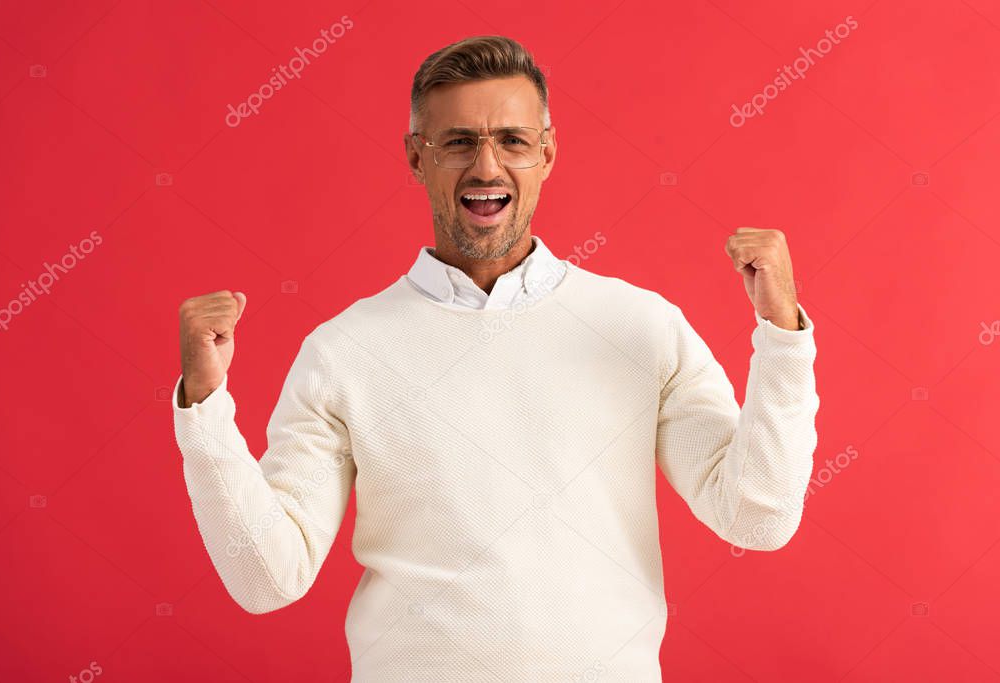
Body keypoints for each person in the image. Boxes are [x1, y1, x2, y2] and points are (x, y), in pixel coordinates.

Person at [173, 35, 818, 682]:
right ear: (415, 157)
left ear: (547, 152)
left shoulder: (639, 325)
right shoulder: (343, 351)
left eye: (511, 140)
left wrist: (781, 334)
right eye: (457, 142)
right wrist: (204, 410)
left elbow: (755, 515)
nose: (486, 166)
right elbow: (267, 577)